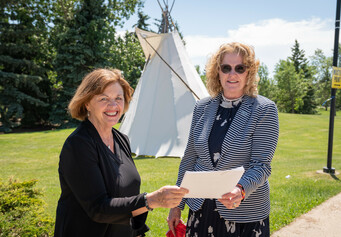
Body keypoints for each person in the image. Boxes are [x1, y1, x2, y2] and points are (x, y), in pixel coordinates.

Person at [54, 68, 188, 237]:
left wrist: (138, 232)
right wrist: (151, 200)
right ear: (87, 103)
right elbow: (98, 209)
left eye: (119, 98)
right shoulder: (78, 145)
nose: (113, 105)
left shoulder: (121, 139)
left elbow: (128, 196)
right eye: (104, 98)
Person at [167, 42, 279, 237]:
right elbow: (189, 159)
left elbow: (261, 166)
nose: (232, 74)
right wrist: (177, 205)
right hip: (201, 209)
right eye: (226, 68)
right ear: (217, 72)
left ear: (249, 72)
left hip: (243, 212)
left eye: (240, 68)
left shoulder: (264, 109)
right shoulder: (201, 107)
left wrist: (240, 190)